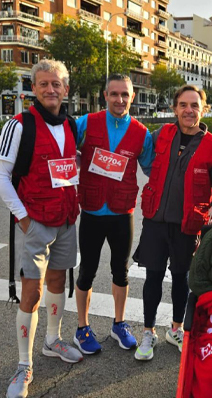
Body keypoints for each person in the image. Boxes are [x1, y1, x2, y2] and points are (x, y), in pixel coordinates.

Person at [0, 60, 82, 398]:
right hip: (35, 222)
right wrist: (22, 217)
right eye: (44, 84)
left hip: (65, 220)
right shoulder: (19, 125)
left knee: (59, 282)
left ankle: (52, 341)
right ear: (34, 89)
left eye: (57, 84)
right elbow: (2, 176)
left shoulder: (71, 124)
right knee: (30, 294)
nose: (51, 90)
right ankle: (23, 364)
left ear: (65, 89)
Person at [134, 84, 212, 361]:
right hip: (155, 221)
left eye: (194, 105)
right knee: (152, 276)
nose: (189, 110)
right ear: (175, 108)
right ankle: (148, 331)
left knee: (180, 278)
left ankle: (175, 328)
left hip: (188, 225)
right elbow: (137, 153)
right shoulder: (161, 134)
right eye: (183, 105)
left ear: (204, 109)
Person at [73, 74, 154, 355]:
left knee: (121, 271)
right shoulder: (86, 123)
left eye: (125, 95)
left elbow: (153, 170)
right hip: (93, 211)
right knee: (87, 271)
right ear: (105, 95)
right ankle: (82, 328)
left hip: (122, 212)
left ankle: (119, 324)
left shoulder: (142, 133)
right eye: (114, 94)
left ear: (132, 97)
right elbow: (64, 149)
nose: (120, 100)